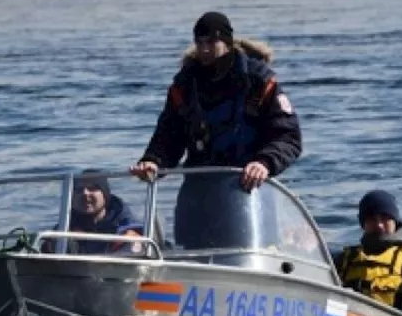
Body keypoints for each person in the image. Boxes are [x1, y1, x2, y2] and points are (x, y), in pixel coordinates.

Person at [128, 11, 302, 191]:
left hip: (251, 191)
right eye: (199, 43)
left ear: (227, 43)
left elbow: (288, 137)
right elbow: (168, 137)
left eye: (211, 42)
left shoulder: (259, 82)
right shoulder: (184, 87)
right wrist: (153, 161)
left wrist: (264, 163)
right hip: (199, 192)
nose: (204, 49)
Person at [334, 189, 402, 314]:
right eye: (372, 219)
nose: (379, 225)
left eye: (385, 218)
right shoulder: (345, 258)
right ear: (363, 224)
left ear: (395, 221)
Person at [66, 171, 143, 254]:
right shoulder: (65, 228)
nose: (85, 193)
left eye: (92, 188)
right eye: (79, 189)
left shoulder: (126, 226)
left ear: (104, 194)